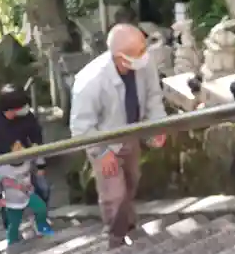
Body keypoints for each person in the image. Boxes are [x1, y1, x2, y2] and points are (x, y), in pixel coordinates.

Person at [70, 23, 167, 249]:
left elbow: (153, 97)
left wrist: (158, 126)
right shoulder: (90, 81)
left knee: (132, 180)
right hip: (103, 141)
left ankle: (129, 224)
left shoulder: (145, 62)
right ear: (120, 57)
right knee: (114, 193)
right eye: (139, 52)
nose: (145, 55)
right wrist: (102, 153)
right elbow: (80, 128)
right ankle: (115, 239)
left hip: (131, 133)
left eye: (144, 49)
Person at [0, 85, 50, 229]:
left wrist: (38, 157)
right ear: (10, 110)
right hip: (4, 170)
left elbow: (36, 134)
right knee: (7, 202)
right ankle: (11, 229)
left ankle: (40, 220)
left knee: (43, 189)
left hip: (27, 163)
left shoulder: (27, 116)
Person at [0, 141, 53, 245]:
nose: (20, 150)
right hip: (12, 200)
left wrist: (40, 167)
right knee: (14, 223)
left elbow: (37, 156)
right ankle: (12, 240)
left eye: (21, 147)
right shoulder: (1, 168)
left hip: (28, 194)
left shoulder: (27, 158)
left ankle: (42, 226)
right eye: (16, 148)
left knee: (41, 208)